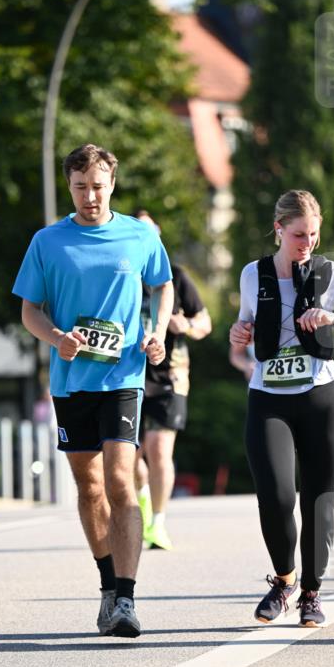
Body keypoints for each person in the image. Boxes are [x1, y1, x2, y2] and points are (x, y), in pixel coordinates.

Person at [12, 144, 173, 638]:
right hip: (71, 381)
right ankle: (107, 587)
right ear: (69, 187)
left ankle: (126, 598)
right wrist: (57, 337)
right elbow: (29, 311)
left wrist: (157, 332)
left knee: (121, 480)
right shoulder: (47, 241)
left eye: (98, 186)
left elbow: (162, 285)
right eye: (81, 187)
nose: (90, 196)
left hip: (123, 376)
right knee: (90, 487)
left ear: (112, 184)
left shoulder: (139, 235)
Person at [229, 190, 334, 628]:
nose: (307, 244)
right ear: (278, 229)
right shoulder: (252, 274)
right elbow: (244, 332)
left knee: (318, 501)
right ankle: (284, 580)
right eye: (298, 235)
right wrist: (239, 334)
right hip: (269, 396)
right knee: (275, 496)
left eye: (313, 235)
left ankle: (312, 592)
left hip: (322, 398)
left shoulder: (332, 274)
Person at [133, 210, 212, 551]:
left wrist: (185, 327)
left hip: (171, 375)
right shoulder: (124, 275)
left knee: (159, 448)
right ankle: (143, 505)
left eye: (151, 231)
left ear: (159, 235)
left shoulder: (177, 277)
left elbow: (205, 323)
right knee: (129, 457)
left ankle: (158, 523)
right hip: (130, 373)